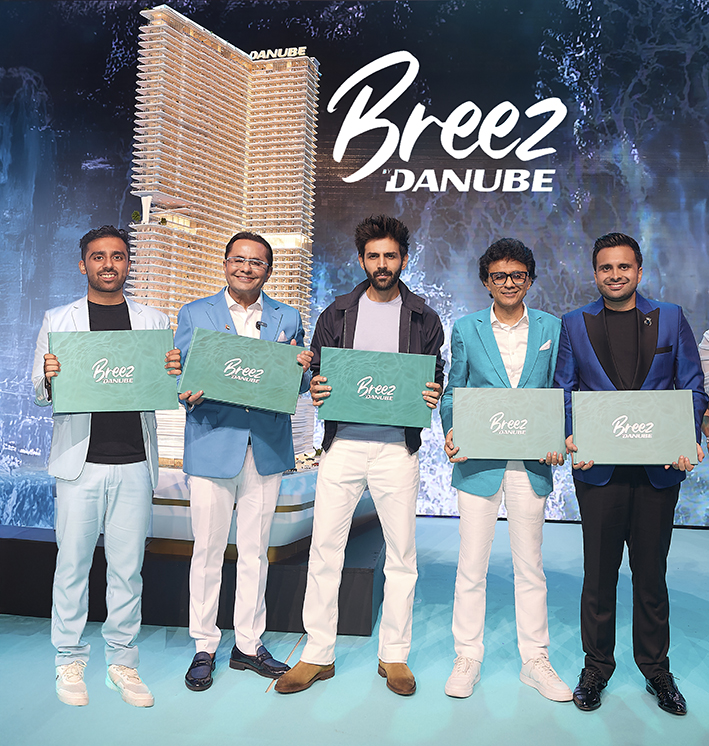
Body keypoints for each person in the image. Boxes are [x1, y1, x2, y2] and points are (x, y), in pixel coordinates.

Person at [275, 214, 444, 696]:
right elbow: (316, 374)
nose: (382, 264)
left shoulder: (425, 317)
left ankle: (394, 655)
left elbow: (436, 374)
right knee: (325, 550)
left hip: (397, 450)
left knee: (402, 555)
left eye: (390, 256)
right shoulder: (337, 313)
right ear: (362, 260)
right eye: (374, 256)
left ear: (404, 259)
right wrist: (316, 385)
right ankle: (317, 654)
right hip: (343, 446)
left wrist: (433, 391)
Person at [554, 232, 707, 715]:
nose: (615, 275)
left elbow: (692, 384)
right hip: (598, 471)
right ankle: (596, 668)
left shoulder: (672, 317)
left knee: (652, 575)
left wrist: (686, 437)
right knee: (598, 576)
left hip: (658, 470)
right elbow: (564, 390)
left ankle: (656, 670)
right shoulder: (573, 323)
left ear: (639, 271)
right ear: (595, 273)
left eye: (624, 266)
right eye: (606, 267)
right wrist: (571, 435)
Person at [32, 225, 181, 707]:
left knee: (127, 571)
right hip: (80, 463)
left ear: (128, 263)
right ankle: (68, 659)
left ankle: (122, 663)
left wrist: (173, 373)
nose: (108, 264)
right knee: (72, 567)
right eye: (98, 256)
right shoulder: (59, 319)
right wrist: (49, 378)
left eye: (117, 256)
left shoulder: (154, 321)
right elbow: (38, 392)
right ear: (84, 264)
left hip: (135, 462)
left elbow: (168, 388)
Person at [175, 231, 312, 691]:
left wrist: (302, 369)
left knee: (255, 551)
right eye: (238, 260)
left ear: (268, 270)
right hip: (213, 442)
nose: (246, 268)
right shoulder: (195, 313)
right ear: (225, 263)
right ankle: (204, 645)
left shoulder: (287, 316)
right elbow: (181, 377)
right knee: (207, 551)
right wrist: (185, 389)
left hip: (266, 446)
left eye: (256, 262)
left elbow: (294, 386)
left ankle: (249, 644)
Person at [440, 238, 571, 701]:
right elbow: (454, 390)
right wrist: (451, 428)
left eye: (517, 275)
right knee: (471, 566)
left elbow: (560, 391)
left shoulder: (553, 327)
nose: (509, 283)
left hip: (531, 463)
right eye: (500, 276)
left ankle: (535, 660)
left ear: (530, 280)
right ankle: (467, 656)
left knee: (530, 566)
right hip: (478, 461)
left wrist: (559, 436)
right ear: (486, 282)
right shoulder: (465, 328)